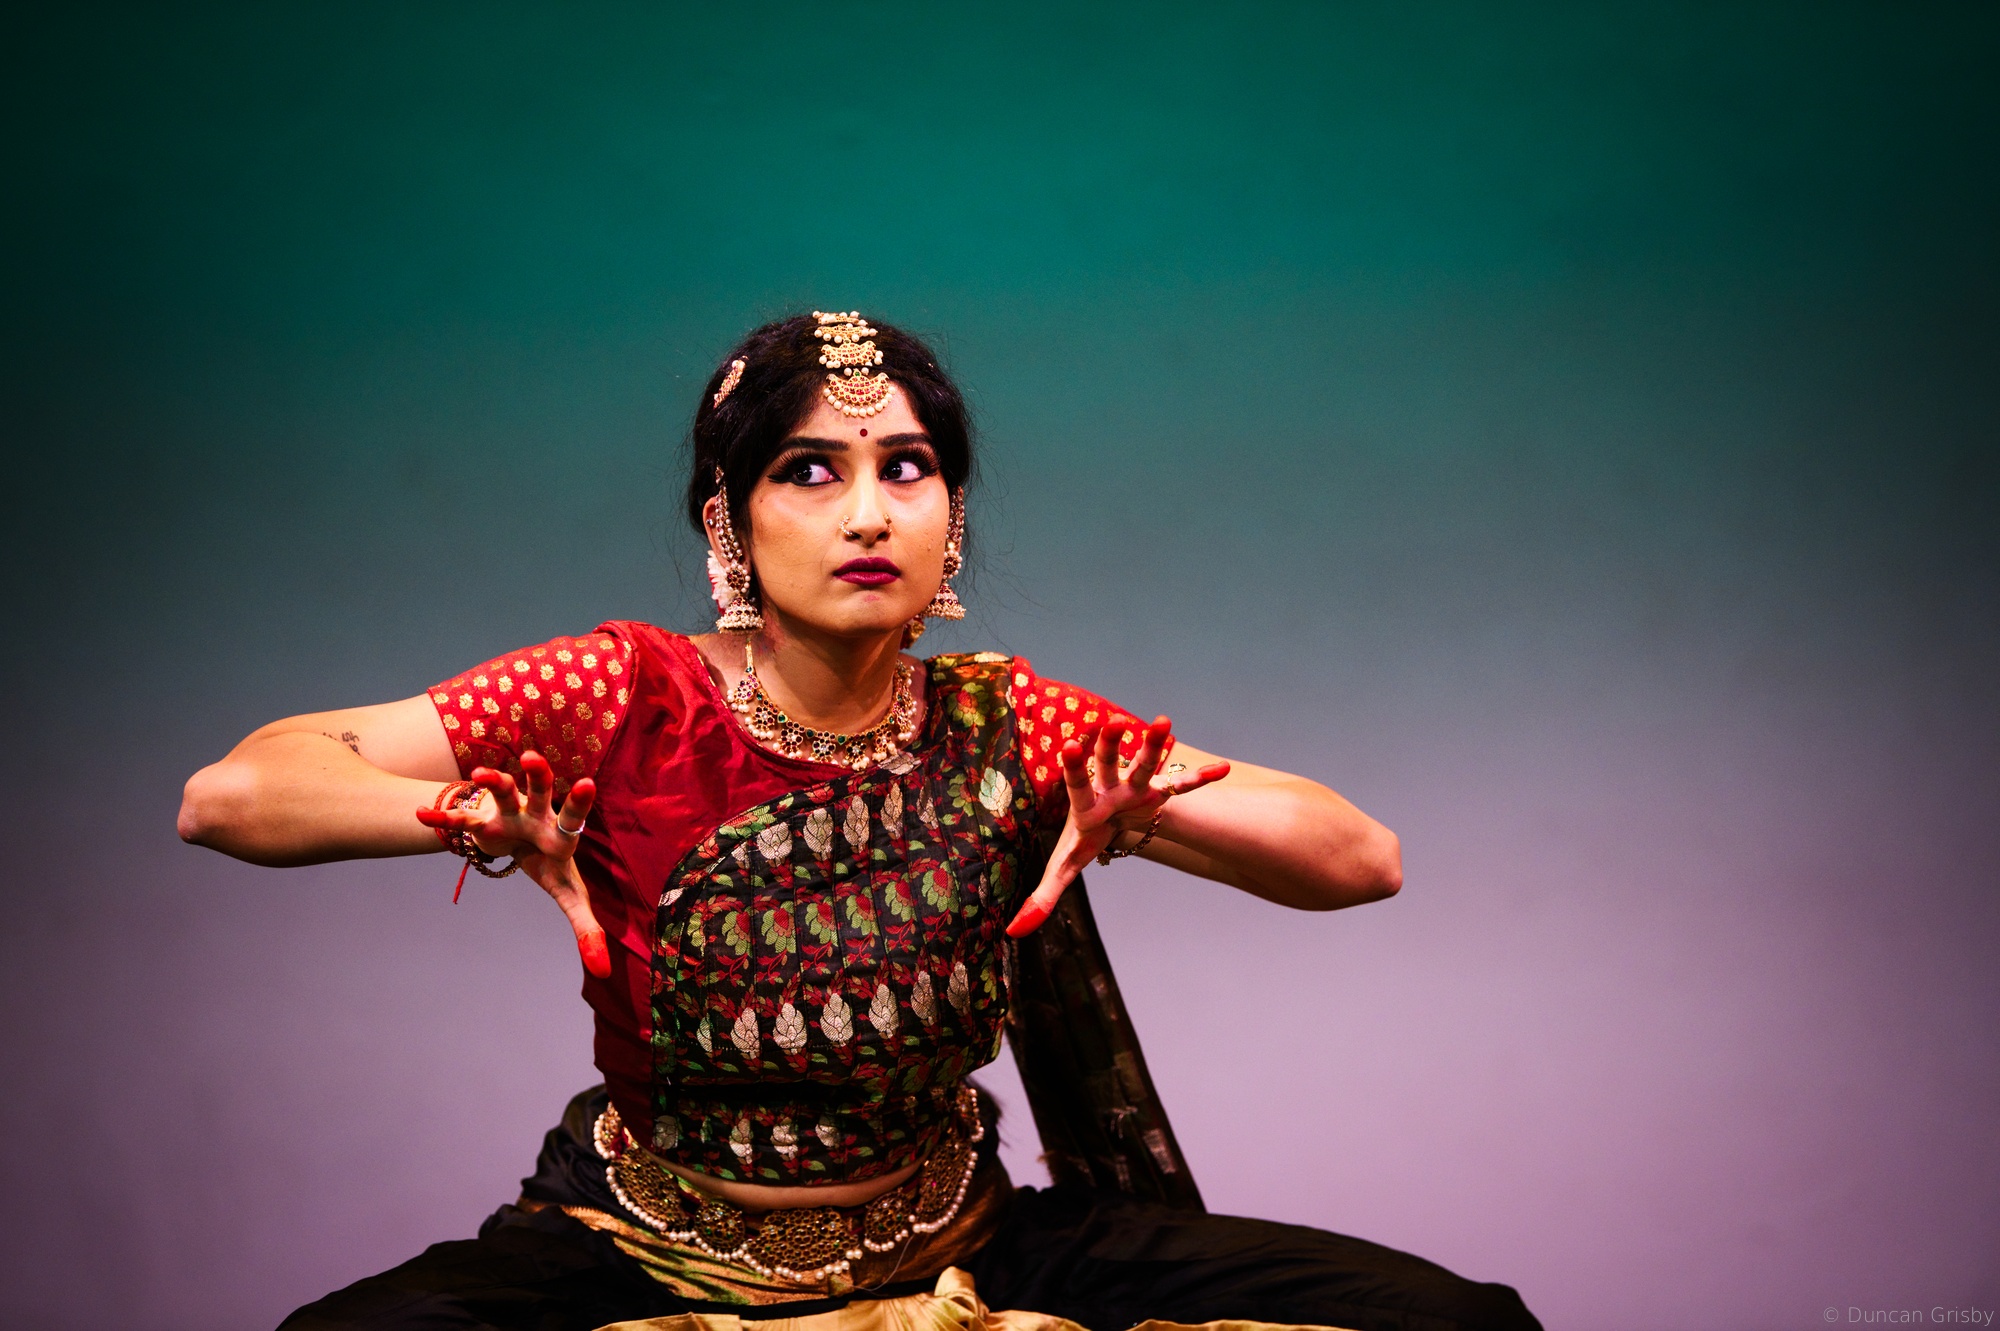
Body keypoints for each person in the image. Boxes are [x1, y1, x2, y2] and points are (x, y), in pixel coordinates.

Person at [179, 311, 1541, 1331]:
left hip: (956, 1241)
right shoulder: (623, 694)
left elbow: (1360, 858)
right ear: (729, 519)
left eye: (907, 467)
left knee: (1445, 1323)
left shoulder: (1005, 722)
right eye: (811, 471)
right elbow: (233, 794)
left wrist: (1140, 821)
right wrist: (460, 815)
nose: (869, 513)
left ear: (953, 518)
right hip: (646, 1247)